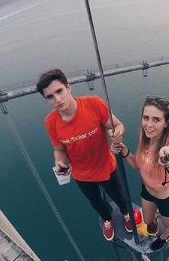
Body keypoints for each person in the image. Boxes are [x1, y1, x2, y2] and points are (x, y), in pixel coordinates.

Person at [37, 68, 132, 241]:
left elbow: (118, 125)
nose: (57, 99)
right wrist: (59, 162)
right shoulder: (50, 122)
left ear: (69, 88)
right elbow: (59, 150)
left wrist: (118, 133)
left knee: (120, 196)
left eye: (59, 91)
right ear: (46, 100)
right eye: (50, 96)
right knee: (96, 202)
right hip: (82, 175)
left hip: (106, 167)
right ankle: (107, 219)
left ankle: (126, 214)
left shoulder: (94, 104)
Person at [112, 95, 169, 252]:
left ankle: (164, 238)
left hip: (167, 199)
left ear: (166, 123)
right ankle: (153, 226)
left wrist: (167, 157)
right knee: (148, 221)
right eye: (146, 118)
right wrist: (124, 150)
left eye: (156, 120)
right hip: (147, 192)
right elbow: (138, 166)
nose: (149, 125)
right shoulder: (145, 139)